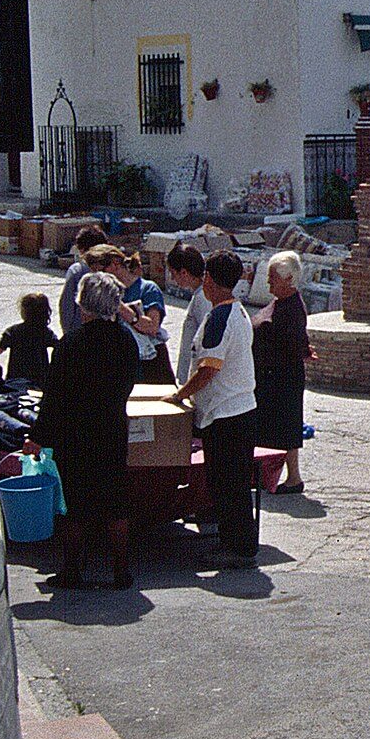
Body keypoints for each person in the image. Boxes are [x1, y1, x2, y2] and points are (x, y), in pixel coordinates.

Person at [25, 272, 139, 589]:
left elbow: (54, 398)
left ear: (83, 306)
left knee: (76, 504)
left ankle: (73, 571)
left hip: (76, 434)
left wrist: (37, 437)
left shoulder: (71, 345)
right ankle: (121, 571)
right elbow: (129, 383)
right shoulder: (126, 340)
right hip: (113, 428)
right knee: (116, 501)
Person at [170, 250, 260, 569]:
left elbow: (209, 368)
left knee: (229, 485)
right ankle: (232, 541)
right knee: (228, 484)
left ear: (208, 279)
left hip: (227, 415)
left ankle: (239, 547)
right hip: (235, 411)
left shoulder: (222, 317)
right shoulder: (233, 312)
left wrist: (181, 394)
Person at [251, 250, 314, 495]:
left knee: (285, 428)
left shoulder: (292, 308)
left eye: (272, 279)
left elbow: (295, 341)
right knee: (273, 427)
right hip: (269, 374)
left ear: (288, 279)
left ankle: (292, 478)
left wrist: (304, 350)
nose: (268, 284)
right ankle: (270, 475)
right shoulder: (280, 302)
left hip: (281, 376)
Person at [104, 247, 174, 383]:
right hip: (122, 360)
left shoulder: (147, 289)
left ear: (114, 265)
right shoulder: (108, 290)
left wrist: (120, 307)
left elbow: (152, 327)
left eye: (101, 270)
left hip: (150, 362)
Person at [0, 292, 58, 389]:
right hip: (39, 379)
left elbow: (0, 349)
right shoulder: (46, 332)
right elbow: (58, 347)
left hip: (16, 378)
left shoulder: (13, 331)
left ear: (24, 311)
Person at [166, 244, 212, 386]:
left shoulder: (203, 299)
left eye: (174, 274)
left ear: (184, 272)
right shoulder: (198, 295)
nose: (173, 279)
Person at [56, 224, 108, 336]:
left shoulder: (77, 270)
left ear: (82, 249)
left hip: (79, 332)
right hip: (107, 333)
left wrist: (67, 334)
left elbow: (67, 305)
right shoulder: (112, 269)